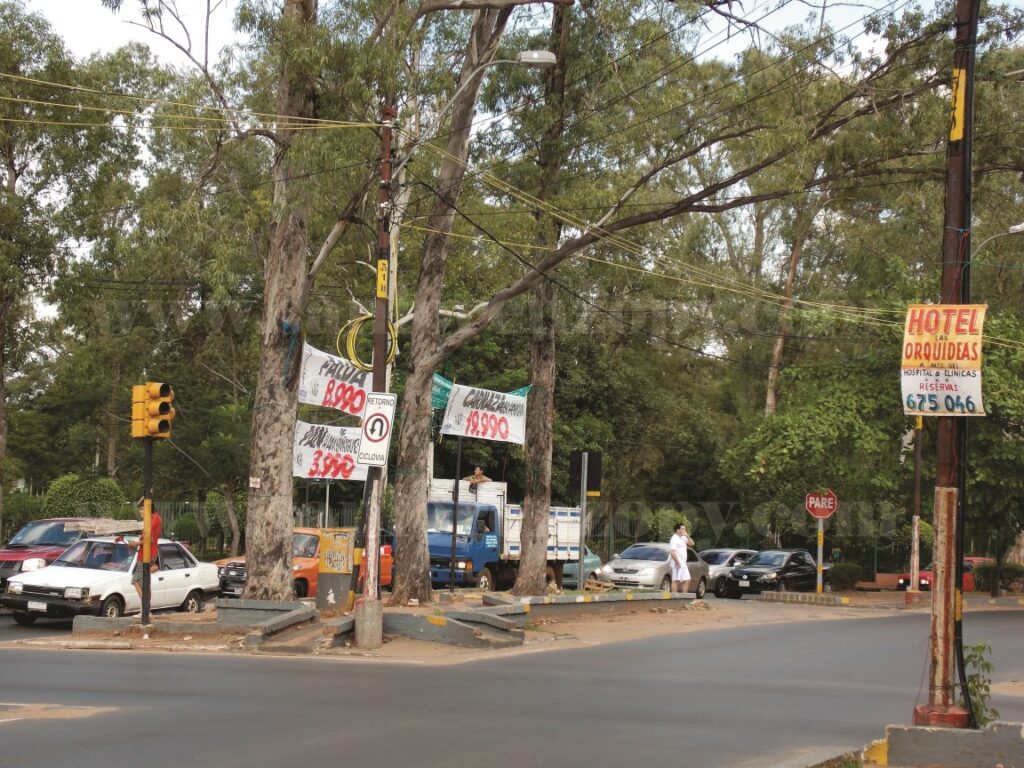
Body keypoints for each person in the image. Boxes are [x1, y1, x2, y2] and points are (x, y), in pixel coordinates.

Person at [130, 497, 162, 599]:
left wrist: (135, 544)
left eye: (142, 509)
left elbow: (150, 540)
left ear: (148, 509)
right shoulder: (156, 518)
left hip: (145, 555)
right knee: (145, 582)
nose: (140, 511)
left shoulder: (150, 523)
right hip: (151, 554)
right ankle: (146, 608)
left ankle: (145, 607)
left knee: (136, 580)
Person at [669, 522, 692, 594]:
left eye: (684, 529)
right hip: (677, 563)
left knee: (687, 579)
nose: (684, 531)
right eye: (682, 529)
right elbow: (672, 552)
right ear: (677, 530)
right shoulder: (674, 539)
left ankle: (684, 596)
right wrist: (677, 562)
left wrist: (687, 536)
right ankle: (674, 597)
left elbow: (692, 544)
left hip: (683, 563)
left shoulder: (683, 537)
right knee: (676, 580)